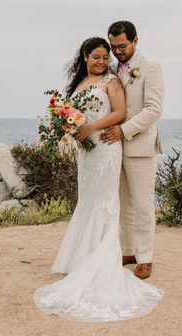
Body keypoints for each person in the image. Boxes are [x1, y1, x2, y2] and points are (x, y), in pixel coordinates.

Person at [33, 37, 163, 322]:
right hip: (87, 154)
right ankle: (85, 257)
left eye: (106, 57)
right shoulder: (78, 84)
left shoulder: (112, 82)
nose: (103, 61)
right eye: (98, 57)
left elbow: (118, 113)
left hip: (105, 148)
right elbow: (72, 113)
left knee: (107, 201)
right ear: (85, 56)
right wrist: (69, 127)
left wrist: (90, 126)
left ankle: (110, 259)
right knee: (88, 200)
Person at [101, 21, 164, 280]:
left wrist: (124, 130)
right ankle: (128, 251)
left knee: (142, 205)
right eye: (114, 47)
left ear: (135, 41)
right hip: (114, 149)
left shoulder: (151, 68)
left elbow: (153, 109)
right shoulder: (113, 69)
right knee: (123, 203)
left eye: (122, 46)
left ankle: (145, 257)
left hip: (139, 146)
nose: (117, 52)